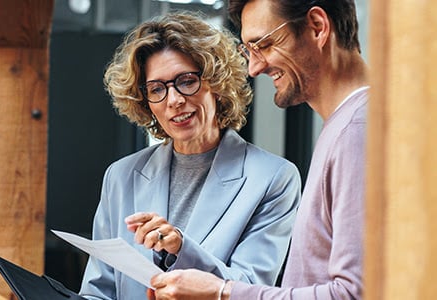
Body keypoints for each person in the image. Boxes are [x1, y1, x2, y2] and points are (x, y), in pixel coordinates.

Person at [148, 0, 368, 299]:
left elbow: (355, 294)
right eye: (249, 51)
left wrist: (222, 292)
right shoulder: (345, 124)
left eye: (264, 44)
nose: (254, 67)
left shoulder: (357, 129)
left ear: (317, 27)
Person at [79, 11, 302, 299]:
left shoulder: (273, 178)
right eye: (157, 89)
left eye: (186, 81)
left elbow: (249, 288)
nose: (174, 100)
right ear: (145, 102)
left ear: (217, 84)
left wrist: (182, 248)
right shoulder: (121, 176)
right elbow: (98, 291)